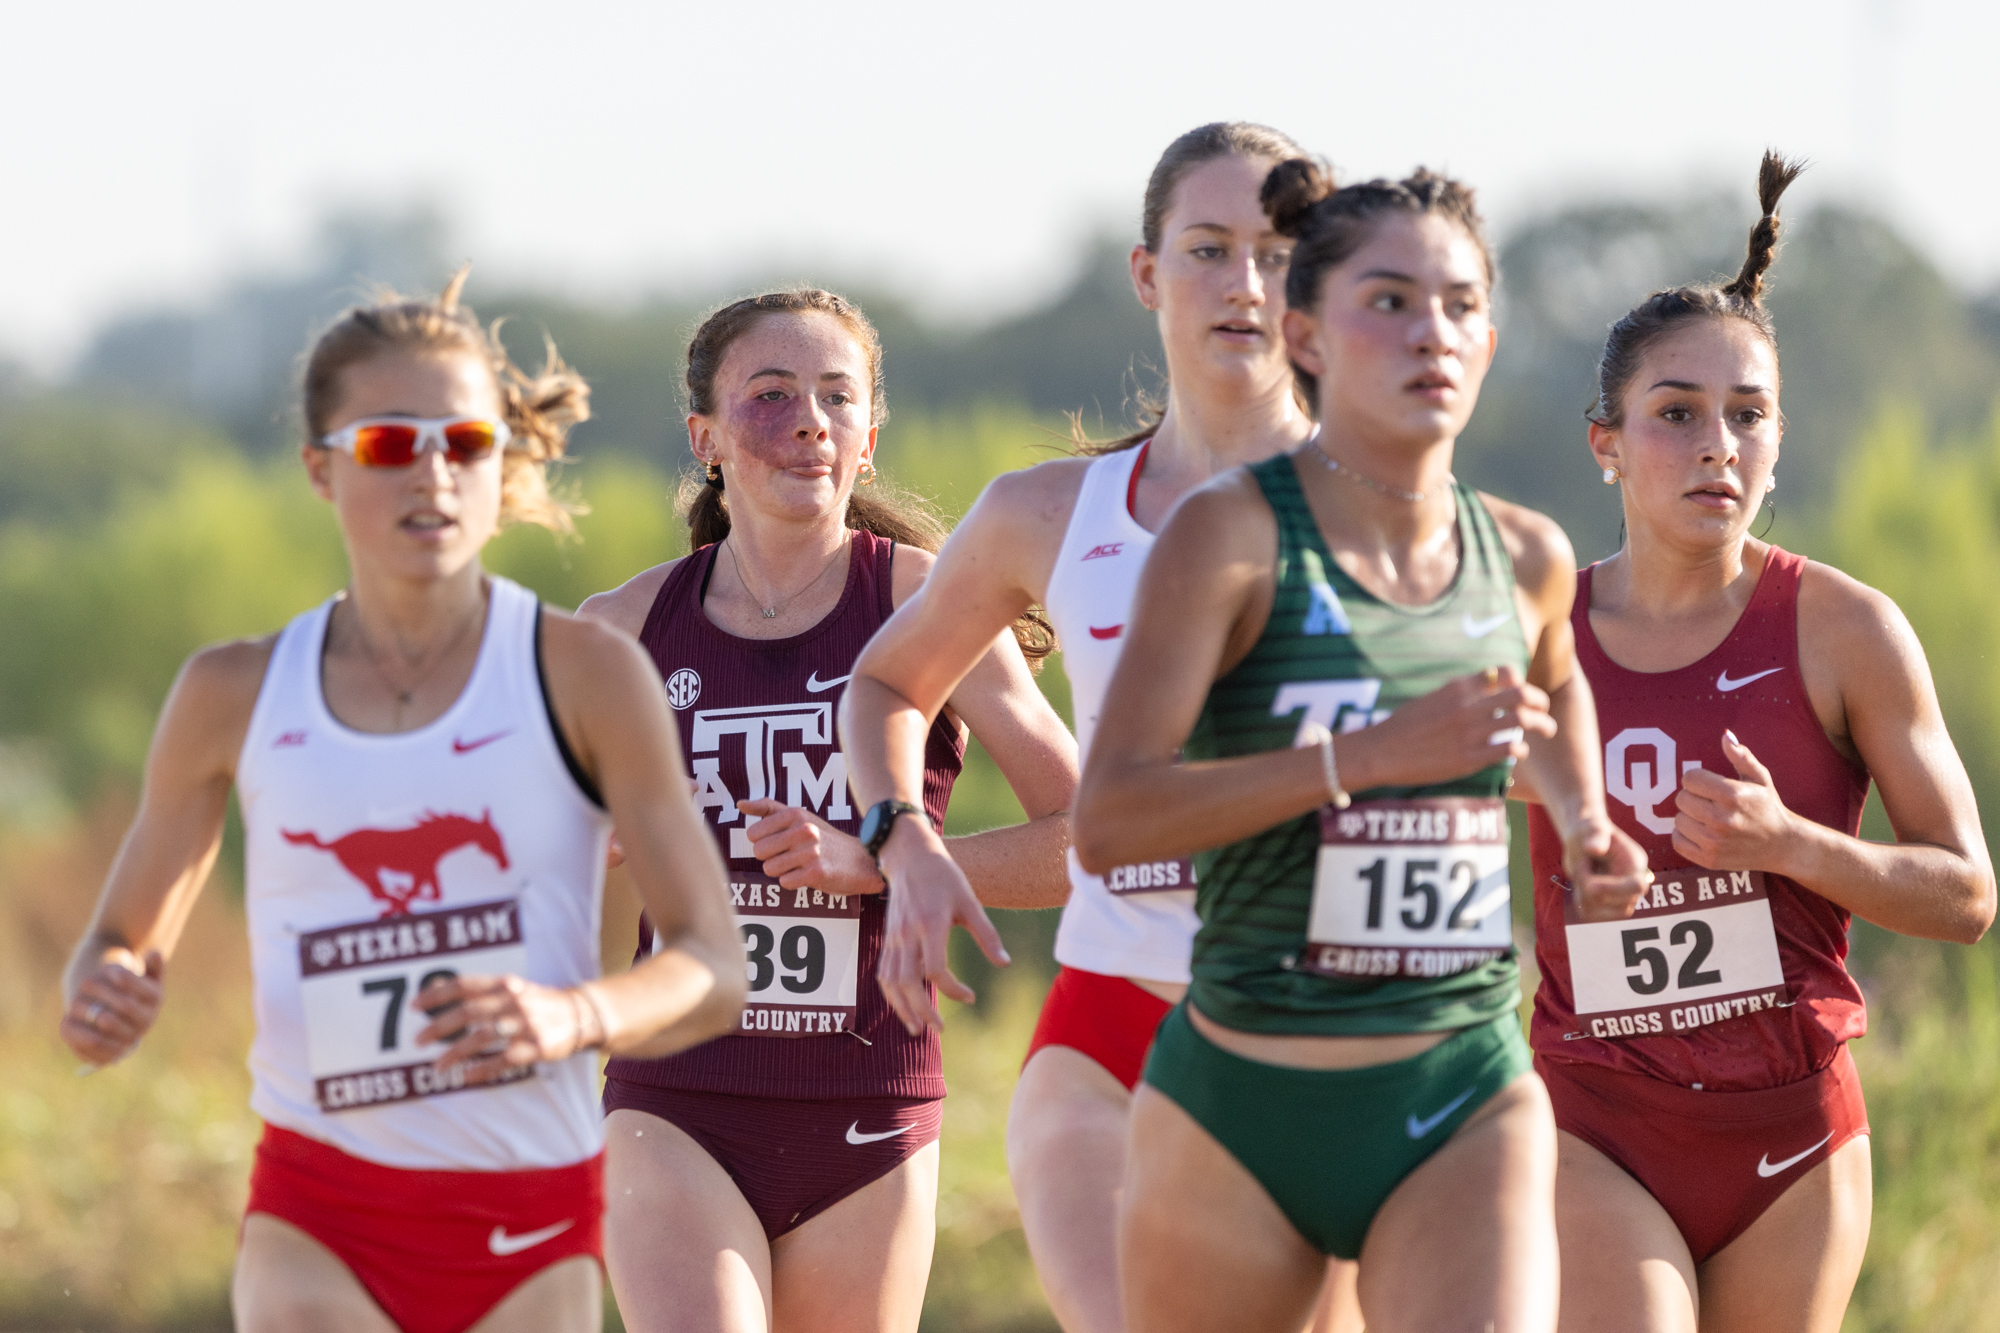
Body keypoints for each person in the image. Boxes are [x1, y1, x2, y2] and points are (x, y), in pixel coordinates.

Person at [58, 270, 746, 1333]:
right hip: (317, 1209)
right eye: (388, 443)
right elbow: (119, 936)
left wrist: (574, 1013)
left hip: (530, 1212)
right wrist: (105, 987)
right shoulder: (232, 691)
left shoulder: (588, 675)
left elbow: (712, 970)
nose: (431, 469)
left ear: (498, 461)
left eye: (464, 441)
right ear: (321, 471)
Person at [1065, 161, 1655, 1333]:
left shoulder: (1526, 554)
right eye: (1386, 300)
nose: (1428, 332)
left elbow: (1551, 697)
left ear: (1488, 338)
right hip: (1238, 1102)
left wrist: (1587, 825)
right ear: (1304, 334)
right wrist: (1360, 759)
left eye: (1458, 304)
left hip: (1459, 1088)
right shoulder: (1226, 537)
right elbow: (1110, 817)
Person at [840, 122, 1362, 1332]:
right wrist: (901, 837)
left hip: (1329, 1035)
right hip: (1111, 1032)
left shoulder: (1391, 506)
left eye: (1276, 253)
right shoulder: (1043, 514)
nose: (1242, 282)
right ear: (1146, 273)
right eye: (1208, 248)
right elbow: (883, 687)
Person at [1529, 152, 1995, 1333]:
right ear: (1605, 443)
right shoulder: (1533, 633)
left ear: (1777, 441)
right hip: (1591, 1117)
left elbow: (1963, 895)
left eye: (1745, 417)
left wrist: (1789, 843)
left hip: (1790, 1131)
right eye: (1675, 415)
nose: (1714, 446)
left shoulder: (1846, 632)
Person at [577, 288, 1076, 1333]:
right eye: (769, 396)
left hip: (869, 1101)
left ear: (866, 436)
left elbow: (1093, 841)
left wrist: (884, 859)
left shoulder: (929, 604)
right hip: (673, 1098)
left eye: (835, 397)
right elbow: (540, 852)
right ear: (705, 437)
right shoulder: (619, 628)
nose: (808, 419)